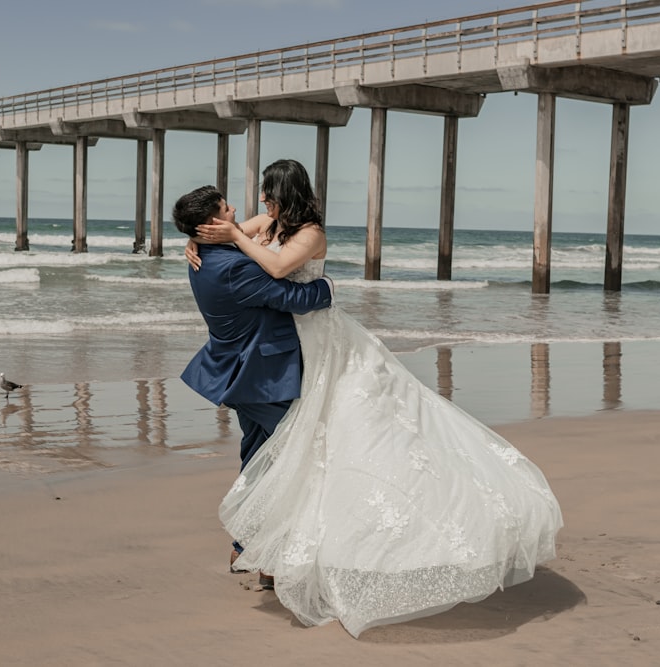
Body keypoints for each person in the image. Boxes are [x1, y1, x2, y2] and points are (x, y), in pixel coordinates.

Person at [186, 159, 564, 638]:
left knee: (330, 436)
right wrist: (196, 240)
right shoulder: (270, 223)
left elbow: (279, 265)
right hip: (291, 345)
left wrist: (233, 239)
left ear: (286, 194)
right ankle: (266, 547)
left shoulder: (311, 235)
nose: (260, 202)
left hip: (318, 339)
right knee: (289, 442)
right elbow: (234, 233)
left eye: (267, 193)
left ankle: (280, 548)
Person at [172, 185, 334, 582]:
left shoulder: (205, 256)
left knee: (259, 458)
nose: (237, 213)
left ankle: (248, 550)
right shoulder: (235, 266)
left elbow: (247, 234)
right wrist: (327, 287)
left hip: (240, 376)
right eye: (228, 209)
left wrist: (194, 239)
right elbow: (295, 298)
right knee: (293, 457)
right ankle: (267, 558)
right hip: (260, 377)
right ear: (214, 222)